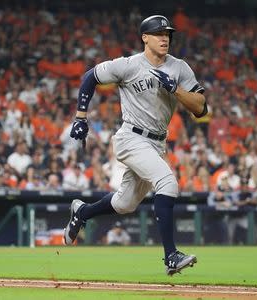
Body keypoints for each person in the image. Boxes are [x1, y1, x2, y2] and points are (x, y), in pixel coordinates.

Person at [63, 15, 206, 275]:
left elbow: (200, 107)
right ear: (145, 38)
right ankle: (171, 256)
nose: (165, 38)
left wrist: (176, 90)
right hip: (131, 137)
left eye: (168, 34)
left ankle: (82, 212)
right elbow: (89, 77)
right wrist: (80, 117)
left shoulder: (179, 68)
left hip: (157, 143)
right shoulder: (128, 65)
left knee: (125, 204)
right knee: (167, 183)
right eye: (159, 34)